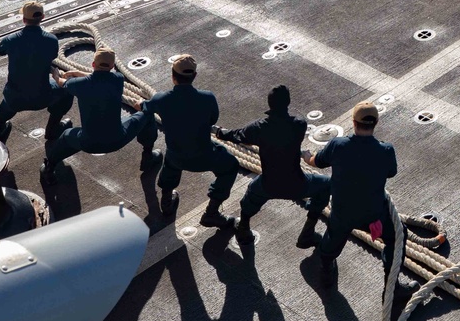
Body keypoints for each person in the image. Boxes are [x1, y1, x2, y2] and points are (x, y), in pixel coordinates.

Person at [302, 102, 403, 291]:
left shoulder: (337, 145)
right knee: (397, 237)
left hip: (342, 214)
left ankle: (326, 273)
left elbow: (317, 162)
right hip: (373, 215)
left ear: (353, 122)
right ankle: (392, 287)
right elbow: (391, 172)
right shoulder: (386, 150)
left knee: (330, 245)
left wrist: (307, 156)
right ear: (376, 122)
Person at [215, 85, 331, 246]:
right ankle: (308, 231)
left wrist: (220, 132)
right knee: (326, 185)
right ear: (288, 102)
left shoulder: (259, 127)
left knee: (249, 197)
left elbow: (238, 136)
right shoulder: (299, 125)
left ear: (269, 104)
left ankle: (243, 229)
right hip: (297, 184)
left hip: (268, 184)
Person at [140, 55, 239, 228]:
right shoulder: (208, 98)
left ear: (173, 76)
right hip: (204, 156)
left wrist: (140, 104)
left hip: (177, 156)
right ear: (194, 76)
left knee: (170, 160)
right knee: (231, 165)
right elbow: (212, 119)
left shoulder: (161, 99)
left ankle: (166, 202)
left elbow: (144, 108)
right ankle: (212, 213)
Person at [40, 48, 160, 183]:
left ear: (93, 64)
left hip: (88, 142)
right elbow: (101, 78)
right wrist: (80, 73)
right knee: (147, 114)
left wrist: (56, 75)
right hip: (118, 139)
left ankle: (49, 167)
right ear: (113, 67)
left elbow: (62, 83)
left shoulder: (79, 84)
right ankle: (148, 156)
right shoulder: (118, 79)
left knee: (66, 136)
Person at [0, 1, 73, 144]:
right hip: (42, 97)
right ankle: (52, 129)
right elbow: (51, 57)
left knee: (5, 106)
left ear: (23, 19)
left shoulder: (11, 39)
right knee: (67, 90)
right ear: (43, 17)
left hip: (14, 98)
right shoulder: (51, 40)